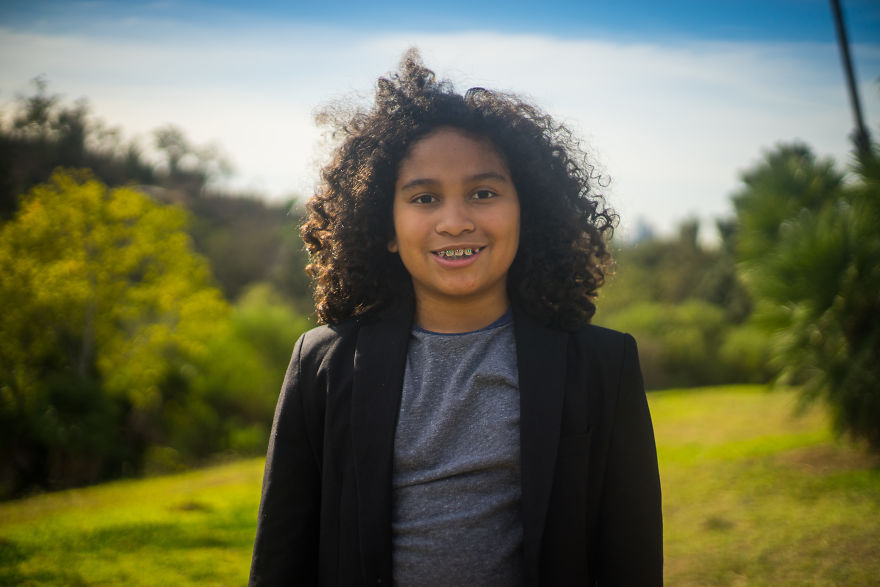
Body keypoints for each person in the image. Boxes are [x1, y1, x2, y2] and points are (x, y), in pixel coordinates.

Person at [249, 49, 662, 586]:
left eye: (483, 193)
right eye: (424, 198)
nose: (455, 221)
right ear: (386, 227)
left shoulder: (603, 365)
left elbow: (630, 560)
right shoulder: (324, 364)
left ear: (526, 210)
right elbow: (282, 559)